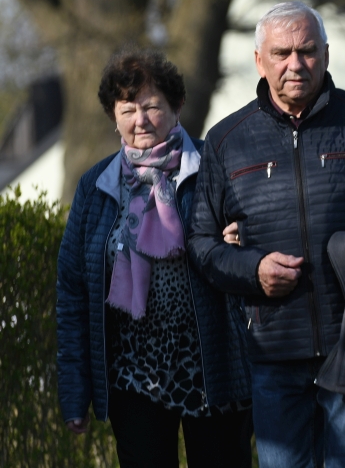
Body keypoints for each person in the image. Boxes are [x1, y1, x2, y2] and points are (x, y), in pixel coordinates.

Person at [187, 1, 345, 468]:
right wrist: (252, 268)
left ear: (326, 54)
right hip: (272, 352)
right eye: (281, 53)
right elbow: (201, 243)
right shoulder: (226, 140)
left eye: (308, 51)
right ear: (259, 61)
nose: (296, 64)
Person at [56, 49, 252, 468]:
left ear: (177, 105)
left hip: (212, 368)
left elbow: (257, 239)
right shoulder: (95, 185)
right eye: (128, 110)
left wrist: (243, 239)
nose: (140, 120)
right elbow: (73, 292)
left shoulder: (216, 167)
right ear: (113, 116)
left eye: (151, 107)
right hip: (133, 377)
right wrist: (74, 393)